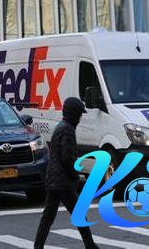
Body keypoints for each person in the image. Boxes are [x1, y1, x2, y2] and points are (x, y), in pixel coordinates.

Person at [34, 97, 99, 249]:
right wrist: (75, 176)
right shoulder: (68, 130)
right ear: (73, 114)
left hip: (54, 180)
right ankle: (90, 245)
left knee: (48, 218)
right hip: (62, 182)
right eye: (79, 114)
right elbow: (68, 158)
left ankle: (38, 246)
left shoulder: (61, 127)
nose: (80, 118)